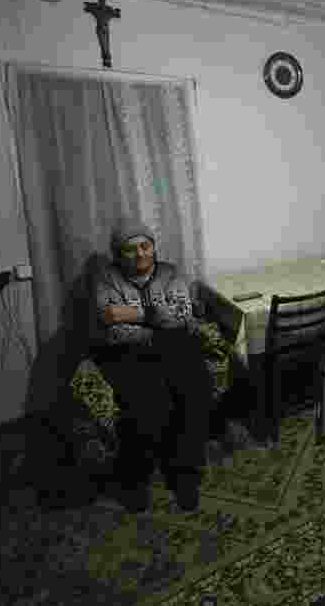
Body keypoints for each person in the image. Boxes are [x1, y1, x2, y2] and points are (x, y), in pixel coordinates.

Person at [91, 217, 214, 514]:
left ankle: (184, 475)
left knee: (194, 393)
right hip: (126, 353)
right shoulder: (105, 279)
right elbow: (111, 327)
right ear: (119, 254)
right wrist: (155, 317)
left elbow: (182, 315)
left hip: (174, 347)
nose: (141, 254)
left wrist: (131, 314)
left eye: (146, 246)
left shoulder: (171, 273)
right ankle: (134, 480)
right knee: (146, 405)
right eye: (130, 250)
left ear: (154, 247)